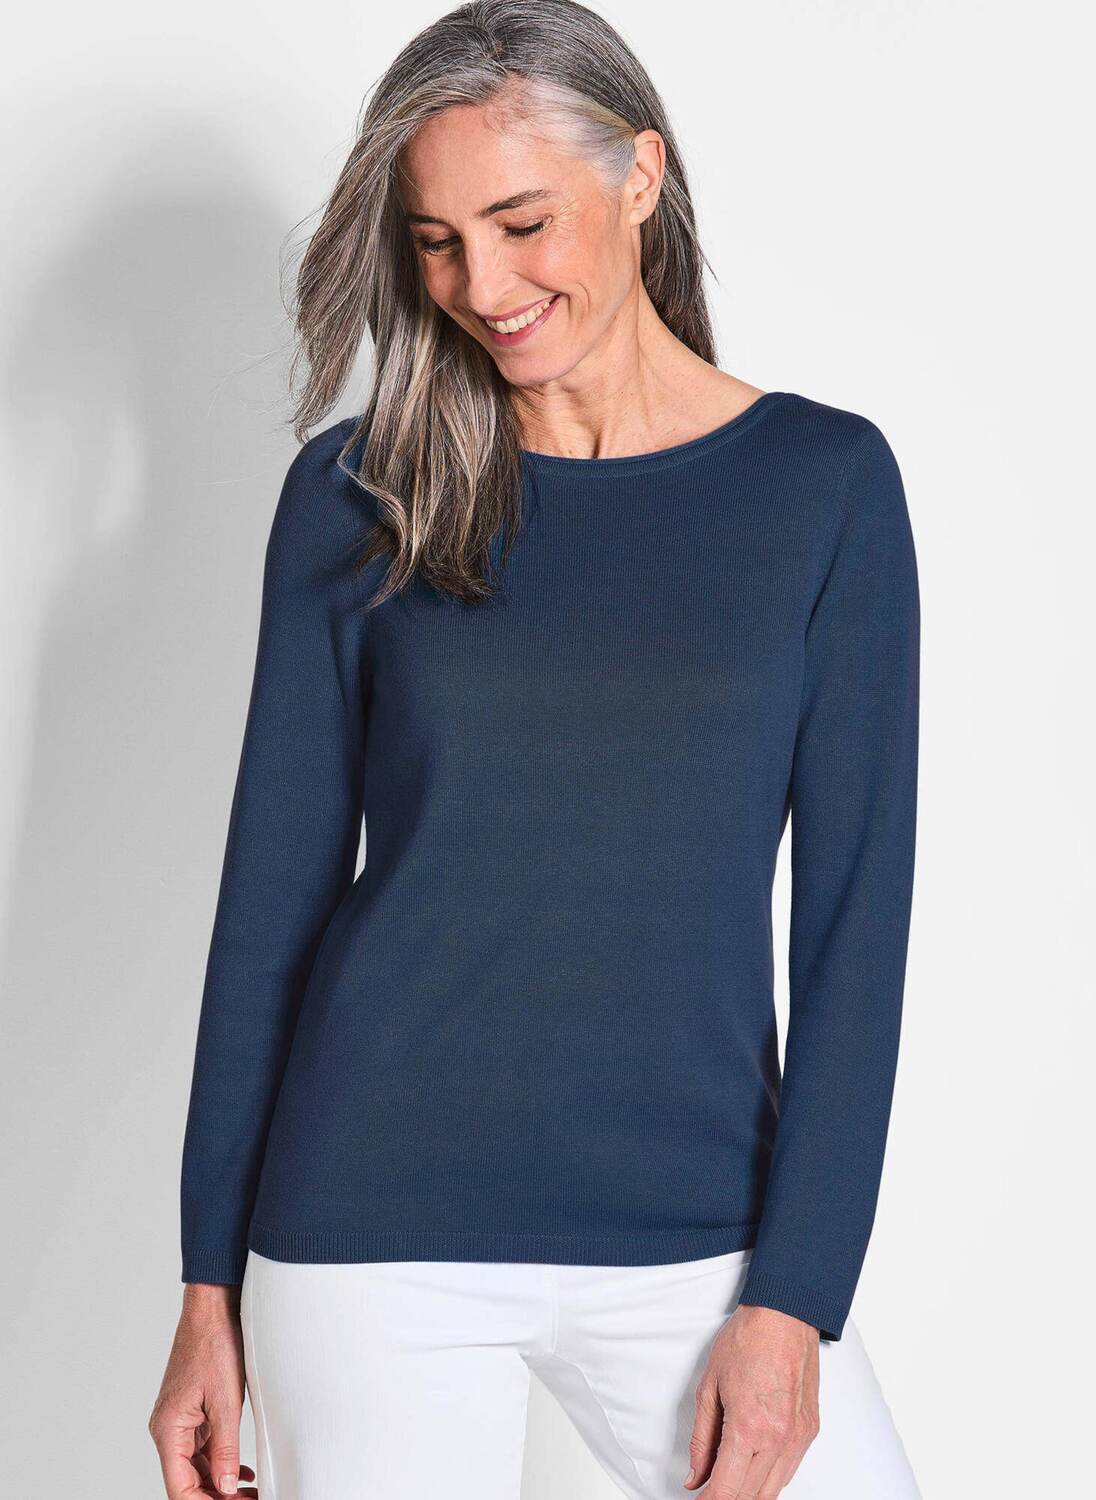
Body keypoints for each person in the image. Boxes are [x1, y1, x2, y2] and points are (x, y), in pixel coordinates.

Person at [149, 3, 922, 1496]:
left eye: (521, 223)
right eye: (437, 242)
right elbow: (268, 912)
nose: (482, 288)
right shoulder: (359, 493)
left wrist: (795, 1302)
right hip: (367, 1232)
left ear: (641, 175)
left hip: (696, 1234)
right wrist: (205, 1291)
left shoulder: (821, 488)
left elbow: (853, 935)